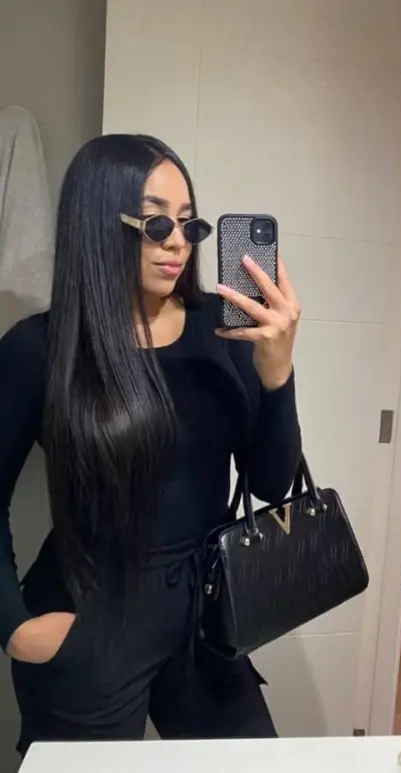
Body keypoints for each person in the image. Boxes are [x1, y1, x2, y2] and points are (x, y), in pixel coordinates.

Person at [0, 134, 302, 753]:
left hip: (206, 615)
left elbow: (273, 485)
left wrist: (278, 376)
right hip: (92, 617)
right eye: (156, 222)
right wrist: (14, 628)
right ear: (96, 222)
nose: (177, 243)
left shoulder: (222, 331)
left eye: (189, 225)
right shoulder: (39, 349)